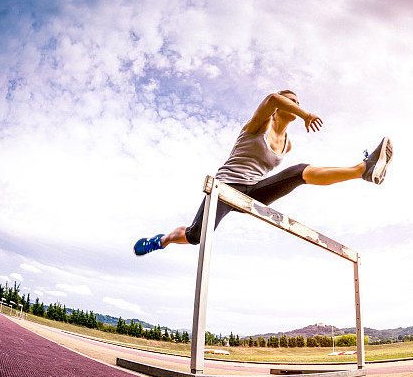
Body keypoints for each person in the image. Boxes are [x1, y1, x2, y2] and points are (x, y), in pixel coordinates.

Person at [134, 90, 393, 255]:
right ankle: (163, 240)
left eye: (299, 103)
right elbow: (271, 99)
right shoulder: (260, 124)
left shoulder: (287, 144)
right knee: (196, 236)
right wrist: (306, 114)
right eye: (292, 102)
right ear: (280, 108)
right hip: (224, 187)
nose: (297, 105)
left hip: (254, 192)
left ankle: (363, 170)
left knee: (300, 172)